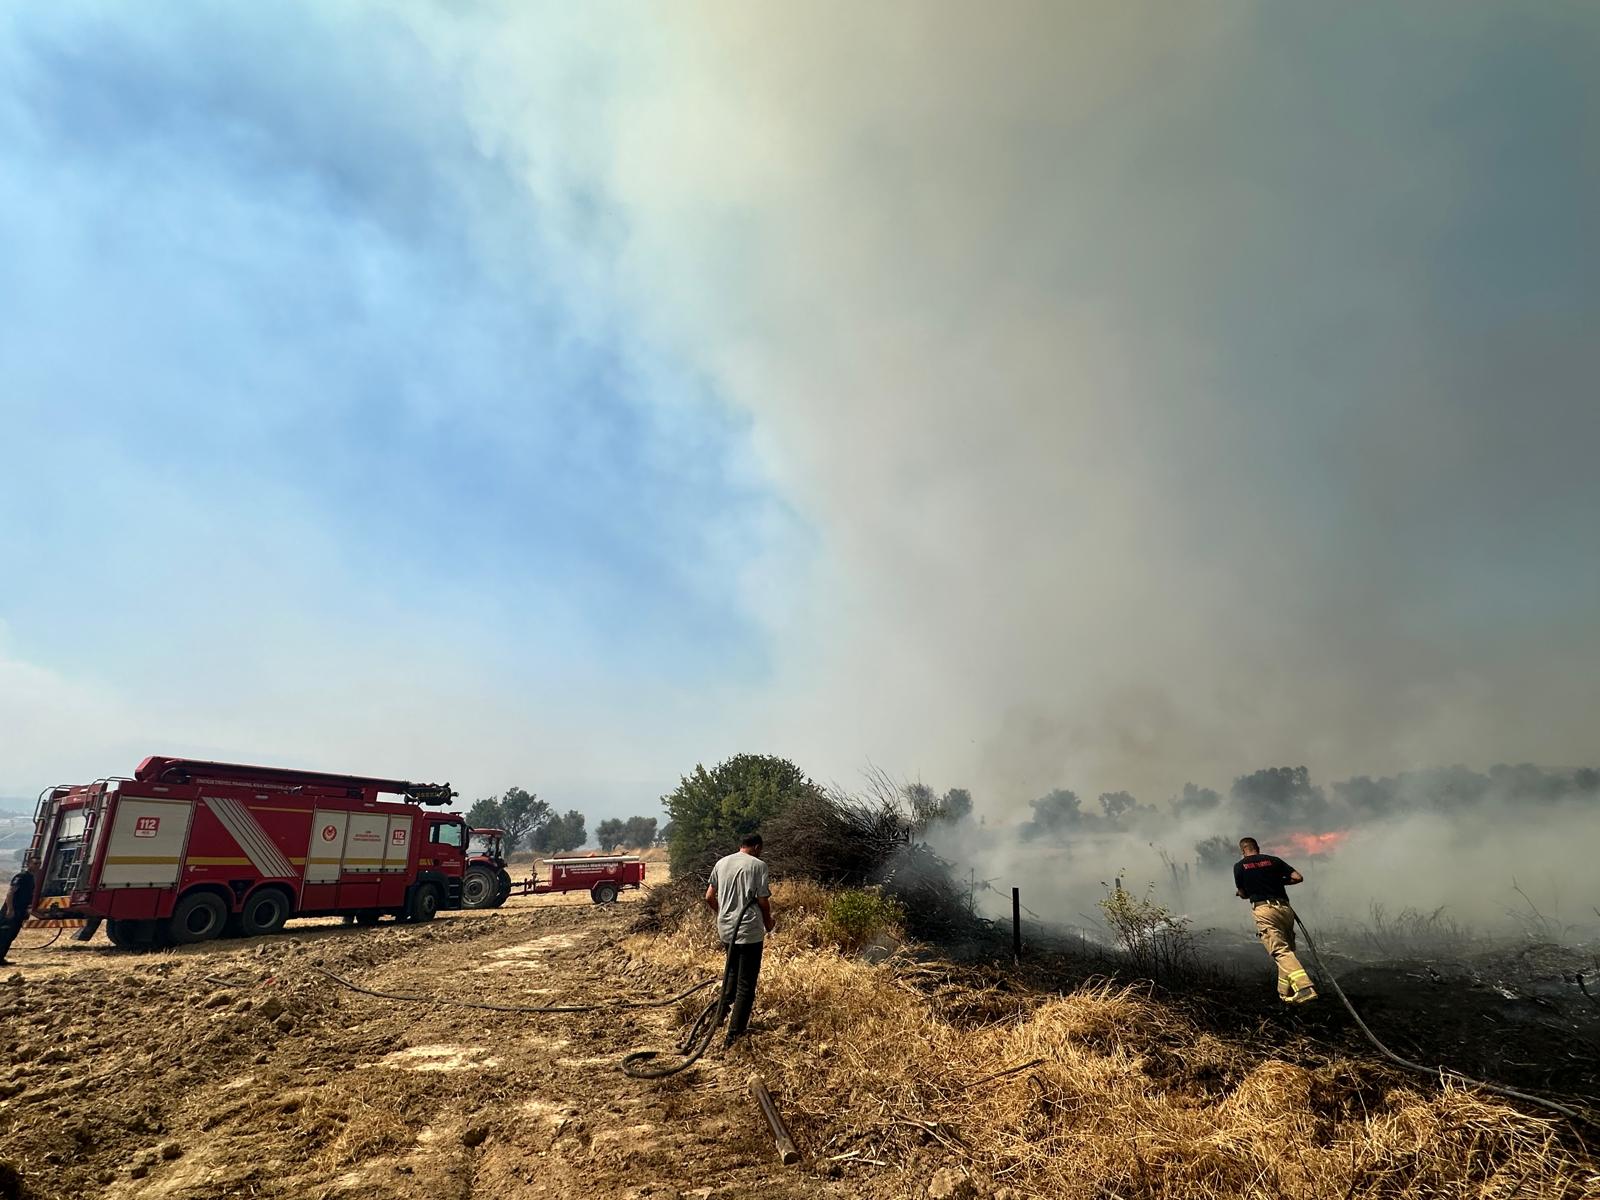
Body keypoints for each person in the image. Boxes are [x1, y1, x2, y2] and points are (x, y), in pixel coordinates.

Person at [704, 831, 774, 1048]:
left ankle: (717, 1022)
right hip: (748, 931)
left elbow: (708, 897)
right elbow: (763, 901)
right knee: (746, 984)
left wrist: (723, 913)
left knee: (731, 976)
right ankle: (734, 1036)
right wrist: (768, 923)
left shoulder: (721, 863)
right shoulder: (758, 866)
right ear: (757, 847)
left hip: (726, 930)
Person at [1233, 837, 1316, 1004]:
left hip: (1264, 910)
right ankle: (1285, 994)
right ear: (1258, 847)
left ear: (1243, 850)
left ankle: (1305, 988)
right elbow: (1298, 877)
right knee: (1287, 951)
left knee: (1279, 951)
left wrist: (1247, 891)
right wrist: (1279, 881)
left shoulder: (1240, 866)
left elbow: (1242, 893)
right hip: (1285, 910)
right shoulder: (1274, 860)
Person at [0, 859, 37, 966]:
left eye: (39, 864)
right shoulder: (21, 877)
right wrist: (10, 909)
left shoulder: (31, 878)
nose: (37, 866)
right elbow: (10, 893)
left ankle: (1, 958)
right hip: (11, 911)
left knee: (11, 935)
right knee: (3, 935)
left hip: (20, 911)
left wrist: (27, 911)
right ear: (28, 864)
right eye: (35, 863)